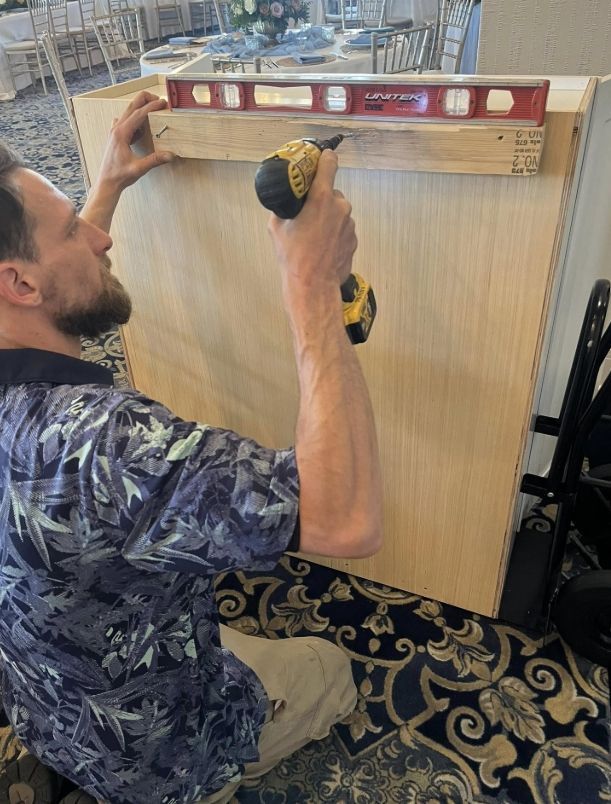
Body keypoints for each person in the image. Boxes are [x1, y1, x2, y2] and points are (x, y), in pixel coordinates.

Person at [0, 91, 382, 804]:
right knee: (326, 666)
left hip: (41, 703)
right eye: (70, 232)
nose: (100, 240)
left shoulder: (29, 388)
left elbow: (49, 299)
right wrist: (312, 291)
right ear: (19, 282)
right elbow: (345, 521)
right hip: (159, 750)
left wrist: (107, 187)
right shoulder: (109, 445)